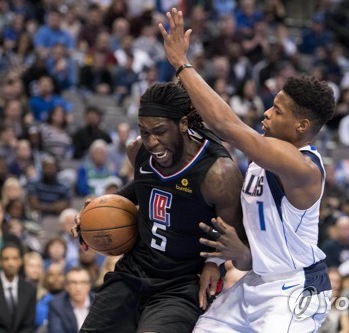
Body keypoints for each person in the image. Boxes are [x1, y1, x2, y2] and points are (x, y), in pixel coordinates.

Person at [159, 8, 335, 331]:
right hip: (257, 281)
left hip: (295, 290)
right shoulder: (260, 160)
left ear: (301, 126)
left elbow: (226, 125)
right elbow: (258, 248)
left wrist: (182, 65)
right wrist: (225, 257)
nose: (266, 113)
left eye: (277, 110)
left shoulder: (303, 168)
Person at [72, 82, 244, 333]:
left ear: (183, 124)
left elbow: (232, 231)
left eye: (160, 131)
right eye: (143, 131)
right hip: (134, 270)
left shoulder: (218, 173)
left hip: (181, 284)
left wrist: (214, 264)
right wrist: (95, 212)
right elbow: (144, 185)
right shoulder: (138, 151)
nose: (151, 141)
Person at [48, 267, 95, 333]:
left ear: (89, 285)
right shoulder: (56, 305)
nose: (78, 287)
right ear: (66, 286)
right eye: (73, 283)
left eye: (83, 282)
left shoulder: (99, 302)